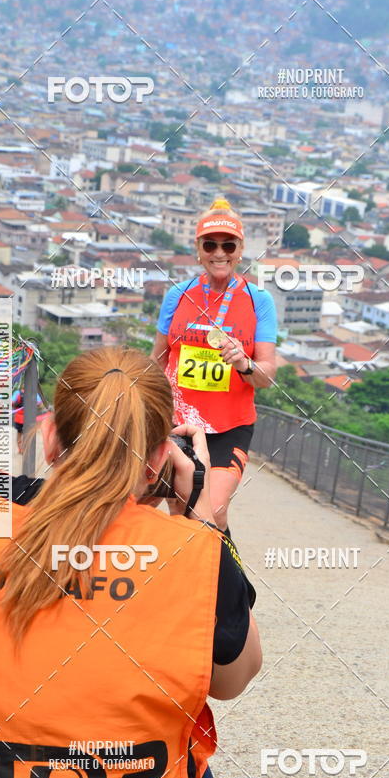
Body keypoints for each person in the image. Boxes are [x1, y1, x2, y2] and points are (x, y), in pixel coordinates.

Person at [0, 346, 262, 778]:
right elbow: (234, 680)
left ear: (49, 438)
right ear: (161, 458)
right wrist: (204, 517)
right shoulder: (191, 553)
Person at [151, 197, 277, 535]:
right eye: (210, 244)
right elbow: (158, 358)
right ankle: (187, 584)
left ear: (240, 249)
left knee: (213, 512)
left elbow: (266, 377)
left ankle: (231, 586)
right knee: (178, 511)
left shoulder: (258, 301)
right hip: (175, 422)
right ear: (199, 249)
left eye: (228, 244)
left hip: (227, 428)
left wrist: (243, 363)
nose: (219, 253)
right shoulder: (178, 294)